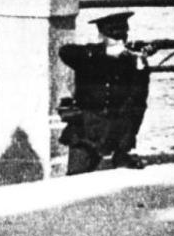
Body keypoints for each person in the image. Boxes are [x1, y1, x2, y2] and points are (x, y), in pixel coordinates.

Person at [58, 11, 151, 175]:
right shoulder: (89, 55)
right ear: (102, 35)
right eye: (115, 36)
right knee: (76, 177)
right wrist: (103, 53)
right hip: (86, 131)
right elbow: (64, 51)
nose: (122, 39)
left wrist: (141, 67)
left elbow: (138, 103)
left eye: (124, 34)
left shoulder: (132, 60)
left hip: (117, 132)